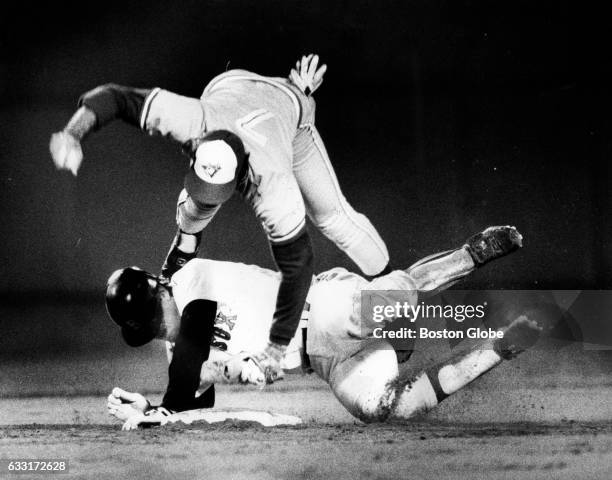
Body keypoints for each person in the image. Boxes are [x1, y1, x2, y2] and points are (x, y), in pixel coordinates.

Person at [49, 54, 392, 382]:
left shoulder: (271, 182)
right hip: (228, 90)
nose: (211, 197)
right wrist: (72, 133)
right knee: (193, 212)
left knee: (332, 217)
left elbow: (299, 267)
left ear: (240, 177)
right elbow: (113, 97)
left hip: (289, 112)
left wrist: (275, 347)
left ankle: (395, 299)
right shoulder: (192, 120)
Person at [104, 226, 539, 428]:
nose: (161, 327)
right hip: (325, 361)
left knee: (385, 304)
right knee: (383, 409)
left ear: (162, 288)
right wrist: (153, 410)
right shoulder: (179, 355)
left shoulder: (191, 279)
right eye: (149, 328)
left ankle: (470, 254)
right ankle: (501, 347)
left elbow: (194, 343)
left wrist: (167, 404)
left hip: (323, 306)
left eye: (157, 314)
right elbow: (192, 406)